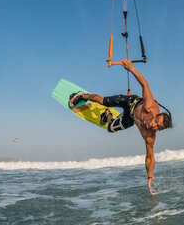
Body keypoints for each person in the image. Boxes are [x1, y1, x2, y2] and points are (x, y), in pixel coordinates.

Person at [68, 59, 173, 195]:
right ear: (156, 115)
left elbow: (150, 157)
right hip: (131, 103)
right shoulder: (149, 106)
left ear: (159, 130)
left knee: (110, 128)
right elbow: (145, 84)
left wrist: (150, 177)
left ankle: (108, 115)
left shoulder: (150, 137)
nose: (153, 125)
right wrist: (131, 68)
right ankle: (82, 95)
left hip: (131, 118)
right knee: (102, 101)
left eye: (157, 127)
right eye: (156, 120)